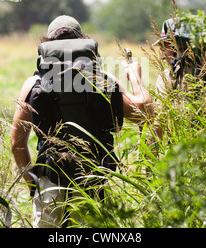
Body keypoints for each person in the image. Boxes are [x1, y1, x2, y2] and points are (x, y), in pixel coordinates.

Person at [11, 15, 152, 228]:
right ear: (83, 42)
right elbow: (145, 111)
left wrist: (34, 187)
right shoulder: (103, 80)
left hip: (50, 187)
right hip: (91, 187)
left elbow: (17, 145)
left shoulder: (34, 84)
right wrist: (135, 76)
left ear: (47, 47)